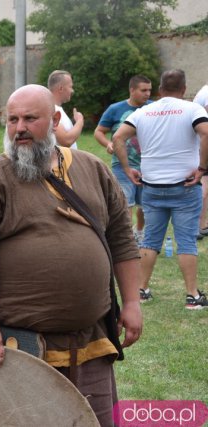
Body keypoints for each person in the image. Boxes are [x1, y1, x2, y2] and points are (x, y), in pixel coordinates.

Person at [0, 84, 143, 427]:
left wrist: (131, 302)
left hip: (92, 342)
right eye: (12, 120)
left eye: (30, 118)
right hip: (23, 349)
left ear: (55, 119)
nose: (19, 128)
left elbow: (121, 239)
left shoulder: (93, 169)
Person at [113, 69, 208, 309]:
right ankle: (192, 296)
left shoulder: (143, 111)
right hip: (185, 186)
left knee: (150, 240)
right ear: (184, 89)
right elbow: (205, 132)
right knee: (186, 240)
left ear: (160, 90)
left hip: (152, 186)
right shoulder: (193, 109)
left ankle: (142, 289)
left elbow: (118, 138)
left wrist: (127, 169)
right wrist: (202, 168)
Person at [94, 75, 152, 250]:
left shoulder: (153, 108)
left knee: (144, 204)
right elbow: (99, 131)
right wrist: (109, 143)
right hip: (122, 164)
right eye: (143, 90)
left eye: (149, 90)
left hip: (148, 165)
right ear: (132, 90)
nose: (147, 94)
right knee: (126, 203)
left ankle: (139, 232)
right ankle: (126, 239)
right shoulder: (116, 109)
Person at [48, 70, 83, 149]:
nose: (72, 90)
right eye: (70, 87)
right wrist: (80, 121)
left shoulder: (56, 109)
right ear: (61, 88)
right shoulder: (50, 110)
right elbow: (66, 140)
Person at [193, 82, 208, 240]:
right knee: (203, 189)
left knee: (206, 188)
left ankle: (202, 225)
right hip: (203, 144)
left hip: (202, 143)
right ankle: (197, 226)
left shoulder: (204, 90)